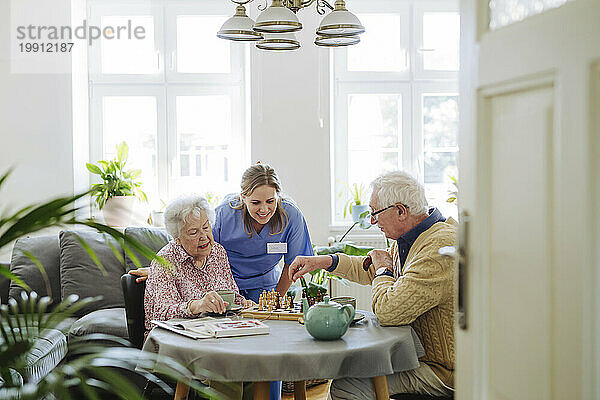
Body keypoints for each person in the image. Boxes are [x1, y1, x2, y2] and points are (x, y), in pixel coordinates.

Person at [288, 171, 456, 399]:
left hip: (444, 372)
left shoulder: (438, 248)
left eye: (375, 212)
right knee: (352, 373)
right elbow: (372, 269)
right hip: (419, 356)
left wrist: (383, 270)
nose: (372, 221)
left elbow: (389, 311)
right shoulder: (413, 237)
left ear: (400, 210)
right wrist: (324, 261)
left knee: (346, 386)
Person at [212, 163, 314, 400]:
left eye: (270, 201)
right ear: (243, 197)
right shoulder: (224, 214)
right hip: (228, 285)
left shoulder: (291, 215)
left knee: (269, 348)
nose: (264, 209)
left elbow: (294, 262)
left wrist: (276, 300)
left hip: (266, 286)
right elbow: (208, 256)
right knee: (229, 349)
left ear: (278, 196)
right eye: (255, 202)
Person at [143, 195, 254, 340]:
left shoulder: (217, 252)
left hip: (217, 334)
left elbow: (232, 295)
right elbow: (159, 313)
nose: (204, 236)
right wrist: (197, 306)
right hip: (175, 341)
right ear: (177, 238)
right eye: (194, 232)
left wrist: (243, 303)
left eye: (206, 227)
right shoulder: (165, 261)